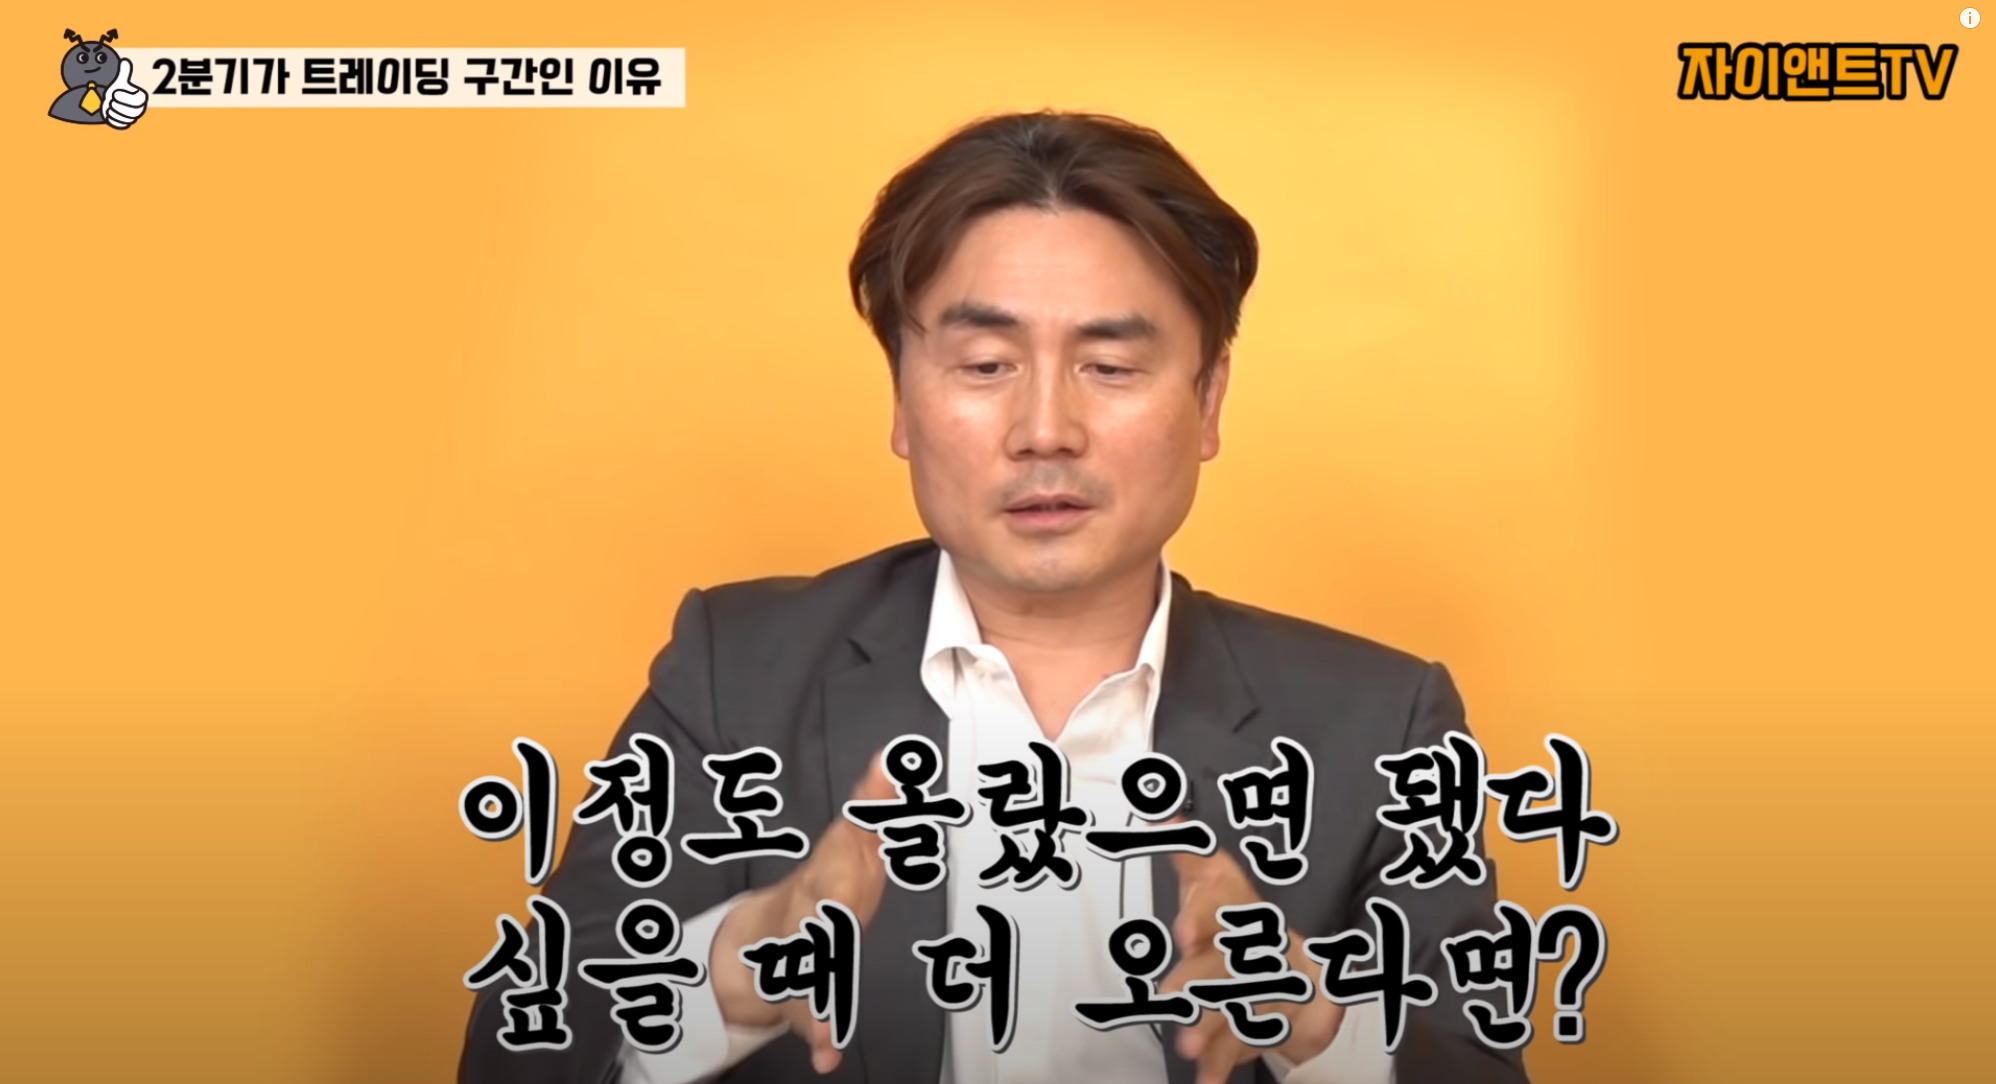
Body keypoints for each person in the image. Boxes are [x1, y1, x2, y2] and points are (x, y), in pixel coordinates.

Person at [460, 109, 1528, 1084]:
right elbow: (520, 1052)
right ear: (901, 398)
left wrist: (1317, 1026)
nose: (1045, 430)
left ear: (1208, 402)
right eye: (984, 364)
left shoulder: (1381, 725)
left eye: (1110, 366)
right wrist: (713, 983)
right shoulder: (732, 678)